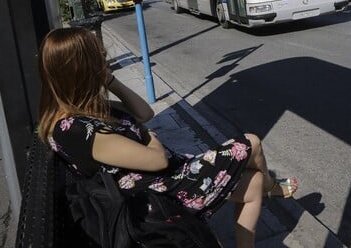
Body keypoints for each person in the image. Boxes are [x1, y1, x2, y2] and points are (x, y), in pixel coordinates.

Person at [37, 27, 298, 248]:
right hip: (160, 194)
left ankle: (265, 188)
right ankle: (271, 186)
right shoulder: (76, 129)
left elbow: (144, 111)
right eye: (98, 58)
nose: (105, 59)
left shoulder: (86, 111)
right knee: (250, 143)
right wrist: (150, 136)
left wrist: (112, 82)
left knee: (252, 183)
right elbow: (157, 160)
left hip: (166, 179)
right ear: (81, 69)